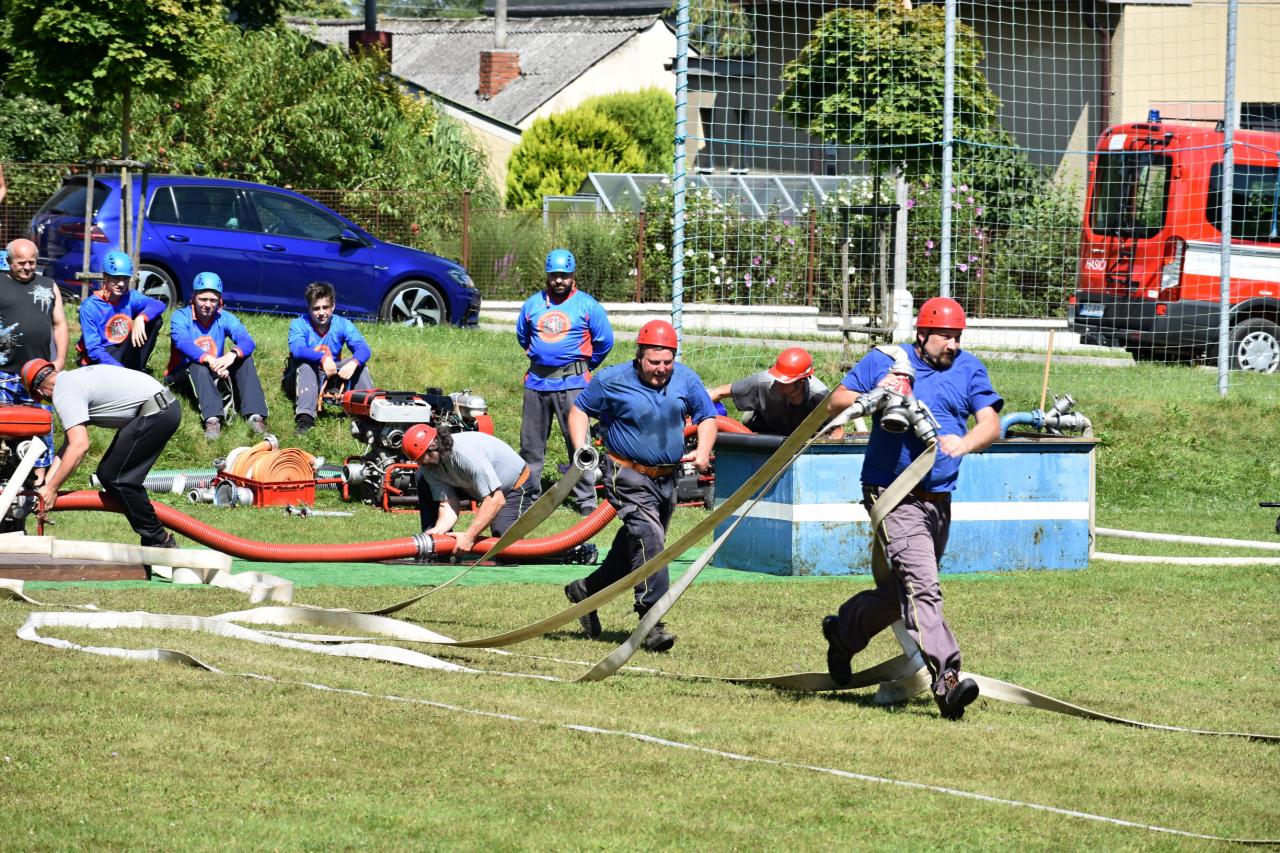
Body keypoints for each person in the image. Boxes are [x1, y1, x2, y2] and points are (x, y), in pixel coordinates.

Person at [820, 297, 1002, 720]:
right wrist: (881, 392)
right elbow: (836, 402)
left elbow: (990, 423)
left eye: (958, 337)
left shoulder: (969, 368)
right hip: (892, 493)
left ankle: (844, 632)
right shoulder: (888, 360)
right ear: (922, 334)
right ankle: (948, 681)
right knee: (923, 588)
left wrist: (965, 443)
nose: (953, 345)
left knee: (901, 594)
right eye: (945, 337)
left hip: (938, 499)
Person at [563, 319, 717, 653]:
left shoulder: (686, 379)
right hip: (625, 474)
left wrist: (704, 450)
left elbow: (707, 417)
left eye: (667, 362)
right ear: (639, 356)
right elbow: (579, 411)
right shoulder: (612, 379)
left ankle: (586, 591)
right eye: (654, 362)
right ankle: (651, 622)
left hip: (667, 479)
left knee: (637, 548)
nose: (661, 369)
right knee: (650, 538)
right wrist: (580, 448)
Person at [23, 358, 181, 557]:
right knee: (113, 475)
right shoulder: (70, 380)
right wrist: (46, 486)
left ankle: (160, 540)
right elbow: (68, 446)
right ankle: (152, 541)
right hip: (161, 407)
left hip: (157, 413)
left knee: (117, 478)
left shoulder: (63, 392)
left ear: (39, 392)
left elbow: (79, 446)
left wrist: (53, 489)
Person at [516, 248, 613, 515]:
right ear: (547, 276)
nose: (559, 280)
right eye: (554, 275)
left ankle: (585, 500)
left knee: (579, 444)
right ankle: (528, 496)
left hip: (574, 385)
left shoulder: (587, 305)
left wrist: (583, 366)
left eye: (564, 275)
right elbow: (523, 337)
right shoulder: (533, 305)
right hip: (537, 383)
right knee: (531, 446)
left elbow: (605, 341)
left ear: (572, 276)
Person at [402, 423, 536, 555]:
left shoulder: (468, 456)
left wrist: (469, 537)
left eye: (420, 458)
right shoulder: (429, 464)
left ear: (434, 447)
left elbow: (496, 500)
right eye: (416, 460)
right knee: (422, 478)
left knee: (506, 550)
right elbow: (448, 504)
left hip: (512, 487)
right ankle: (438, 551)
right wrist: (439, 531)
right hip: (473, 487)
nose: (419, 463)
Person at [166, 272, 268, 440]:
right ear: (193, 297)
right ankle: (213, 420)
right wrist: (210, 359)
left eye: (213, 300)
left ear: (219, 300)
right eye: (203, 299)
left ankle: (255, 416)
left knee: (244, 358)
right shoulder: (180, 316)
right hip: (182, 374)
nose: (208, 304)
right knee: (197, 365)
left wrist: (232, 355)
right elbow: (181, 341)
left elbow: (247, 341)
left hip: (213, 370)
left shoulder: (224, 317)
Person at [1, 238, 69, 479]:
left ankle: (39, 479)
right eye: (22, 263)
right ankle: (5, 474)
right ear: (9, 261)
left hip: (39, 374)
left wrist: (60, 359)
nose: (28, 267)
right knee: (2, 426)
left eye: (32, 262)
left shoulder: (48, 286)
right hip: (3, 372)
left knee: (40, 427)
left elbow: (60, 325)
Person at [284, 281, 373, 435]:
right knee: (306, 366)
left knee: (361, 366)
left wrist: (354, 362)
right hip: (302, 376)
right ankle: (305, 420)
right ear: (309, 308)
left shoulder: (343, 324)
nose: (321, 312)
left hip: (331, 375)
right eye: (316, 308)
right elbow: (297, 350)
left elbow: (363, 349)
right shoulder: (298, 323)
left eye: (325, 307)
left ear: (333, 306)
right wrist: (323, 358)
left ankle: (369, 413)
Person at [707, 346, 829, 436]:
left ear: (800, 381)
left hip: (802, 438)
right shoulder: (764, 381)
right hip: (768, 428)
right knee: (747, 418)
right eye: (777, 378)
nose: (778, 384)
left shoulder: (820, 396)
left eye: (784, 381)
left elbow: (836, 430)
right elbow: (719, 392)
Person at [77, 250, 165, 371]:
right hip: (101, 353)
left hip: (121, 347)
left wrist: (141, 318)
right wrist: (120, 369)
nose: (121, 283)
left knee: (155, 320)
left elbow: (158, 304)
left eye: (126, 278)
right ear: (105, 276)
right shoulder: (89, 307)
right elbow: (94, 349)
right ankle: (126, 372)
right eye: (116, 278)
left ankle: (138, 369)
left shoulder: (130, 297)